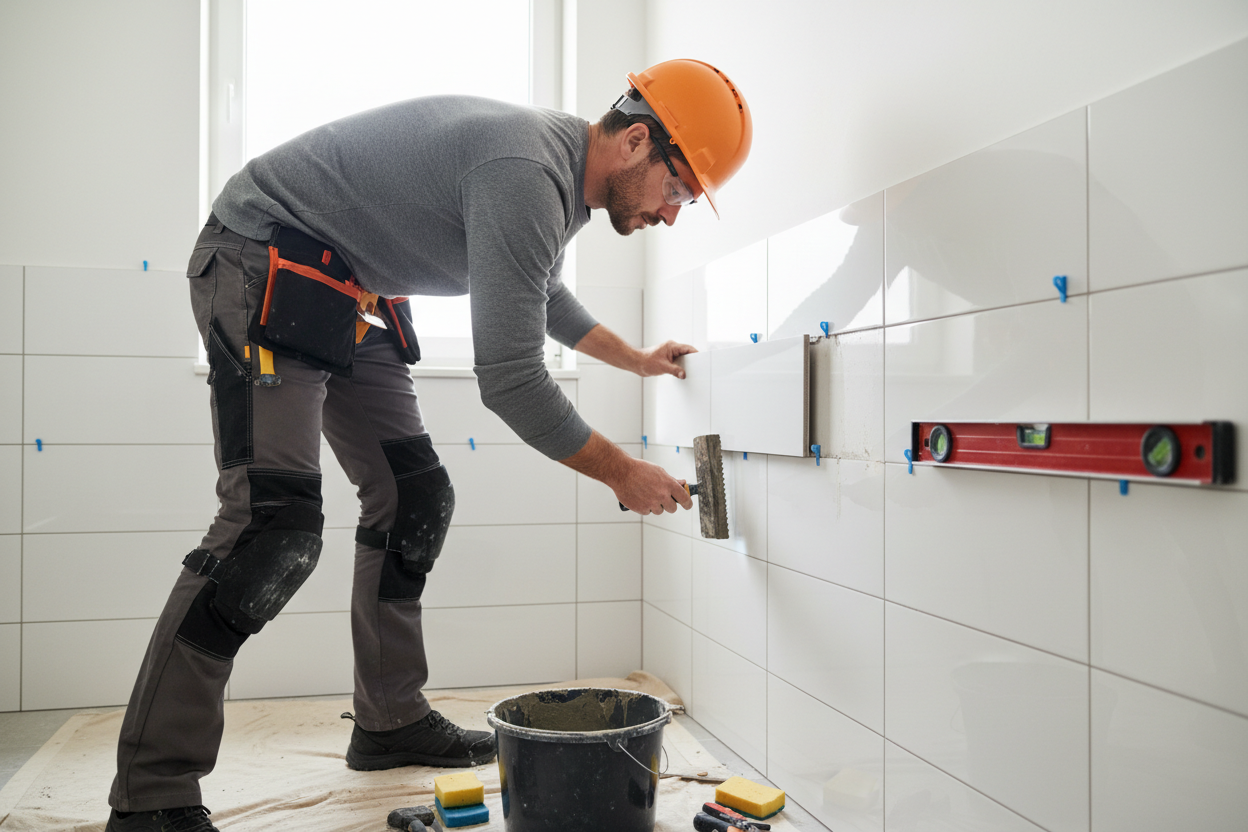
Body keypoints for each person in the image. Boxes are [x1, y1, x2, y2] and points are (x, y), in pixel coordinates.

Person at [105, 58, 752, 832]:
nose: (672, 214)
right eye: (678, 190)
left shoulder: (555, 183)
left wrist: (638, 360)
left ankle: (390, 721)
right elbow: (510, 379)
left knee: (414, 495)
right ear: (638, 141)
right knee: (268, 527)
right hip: (266, 256)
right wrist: (621, 472)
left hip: (348, 285)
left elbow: (540, 293)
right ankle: (152, 792)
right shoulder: (527, 170)